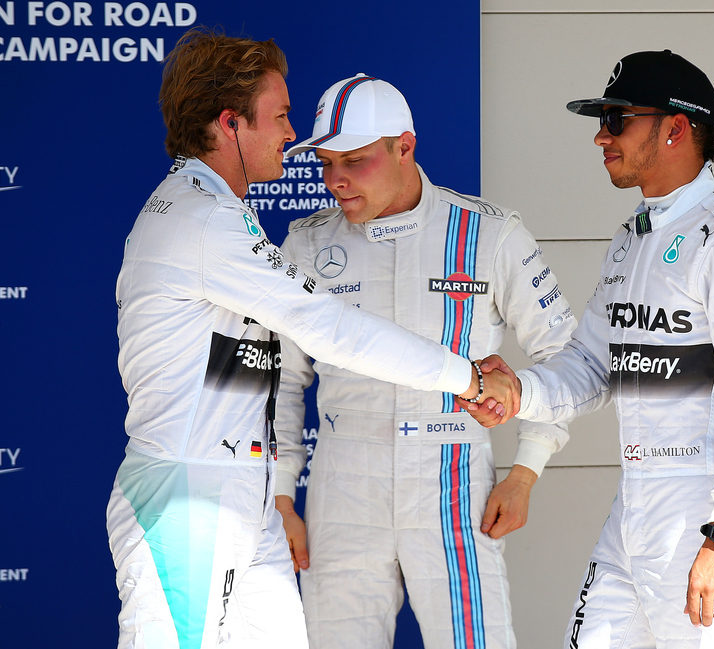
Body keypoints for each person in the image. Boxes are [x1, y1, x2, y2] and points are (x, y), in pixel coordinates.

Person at [106, 31, 511, 649]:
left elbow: (263, 365)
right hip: (189, 502)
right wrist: (468, 378)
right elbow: (331, 328)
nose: (291, 135)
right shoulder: (201, 219)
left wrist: (276, 490)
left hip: (242, 498)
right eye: (280, 116)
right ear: (229, 124)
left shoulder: (218, 210)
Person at [469, 50, 714, 648]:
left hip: (704, 514)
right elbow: (592, 366)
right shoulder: (631, 239)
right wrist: (520, 392)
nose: (600, 136)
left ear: (675, 128)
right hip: (633, 509)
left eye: (617, 119)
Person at [273, 73, 577, 649]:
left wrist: (526, 469)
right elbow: (283, 384)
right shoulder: (305, 244)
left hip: (455, 479)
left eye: (355, 162)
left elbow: (561, 354)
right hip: (342, 483)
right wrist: (283, 496)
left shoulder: (490, 233)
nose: (334, 180)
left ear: (404, 147)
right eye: (325, 163)